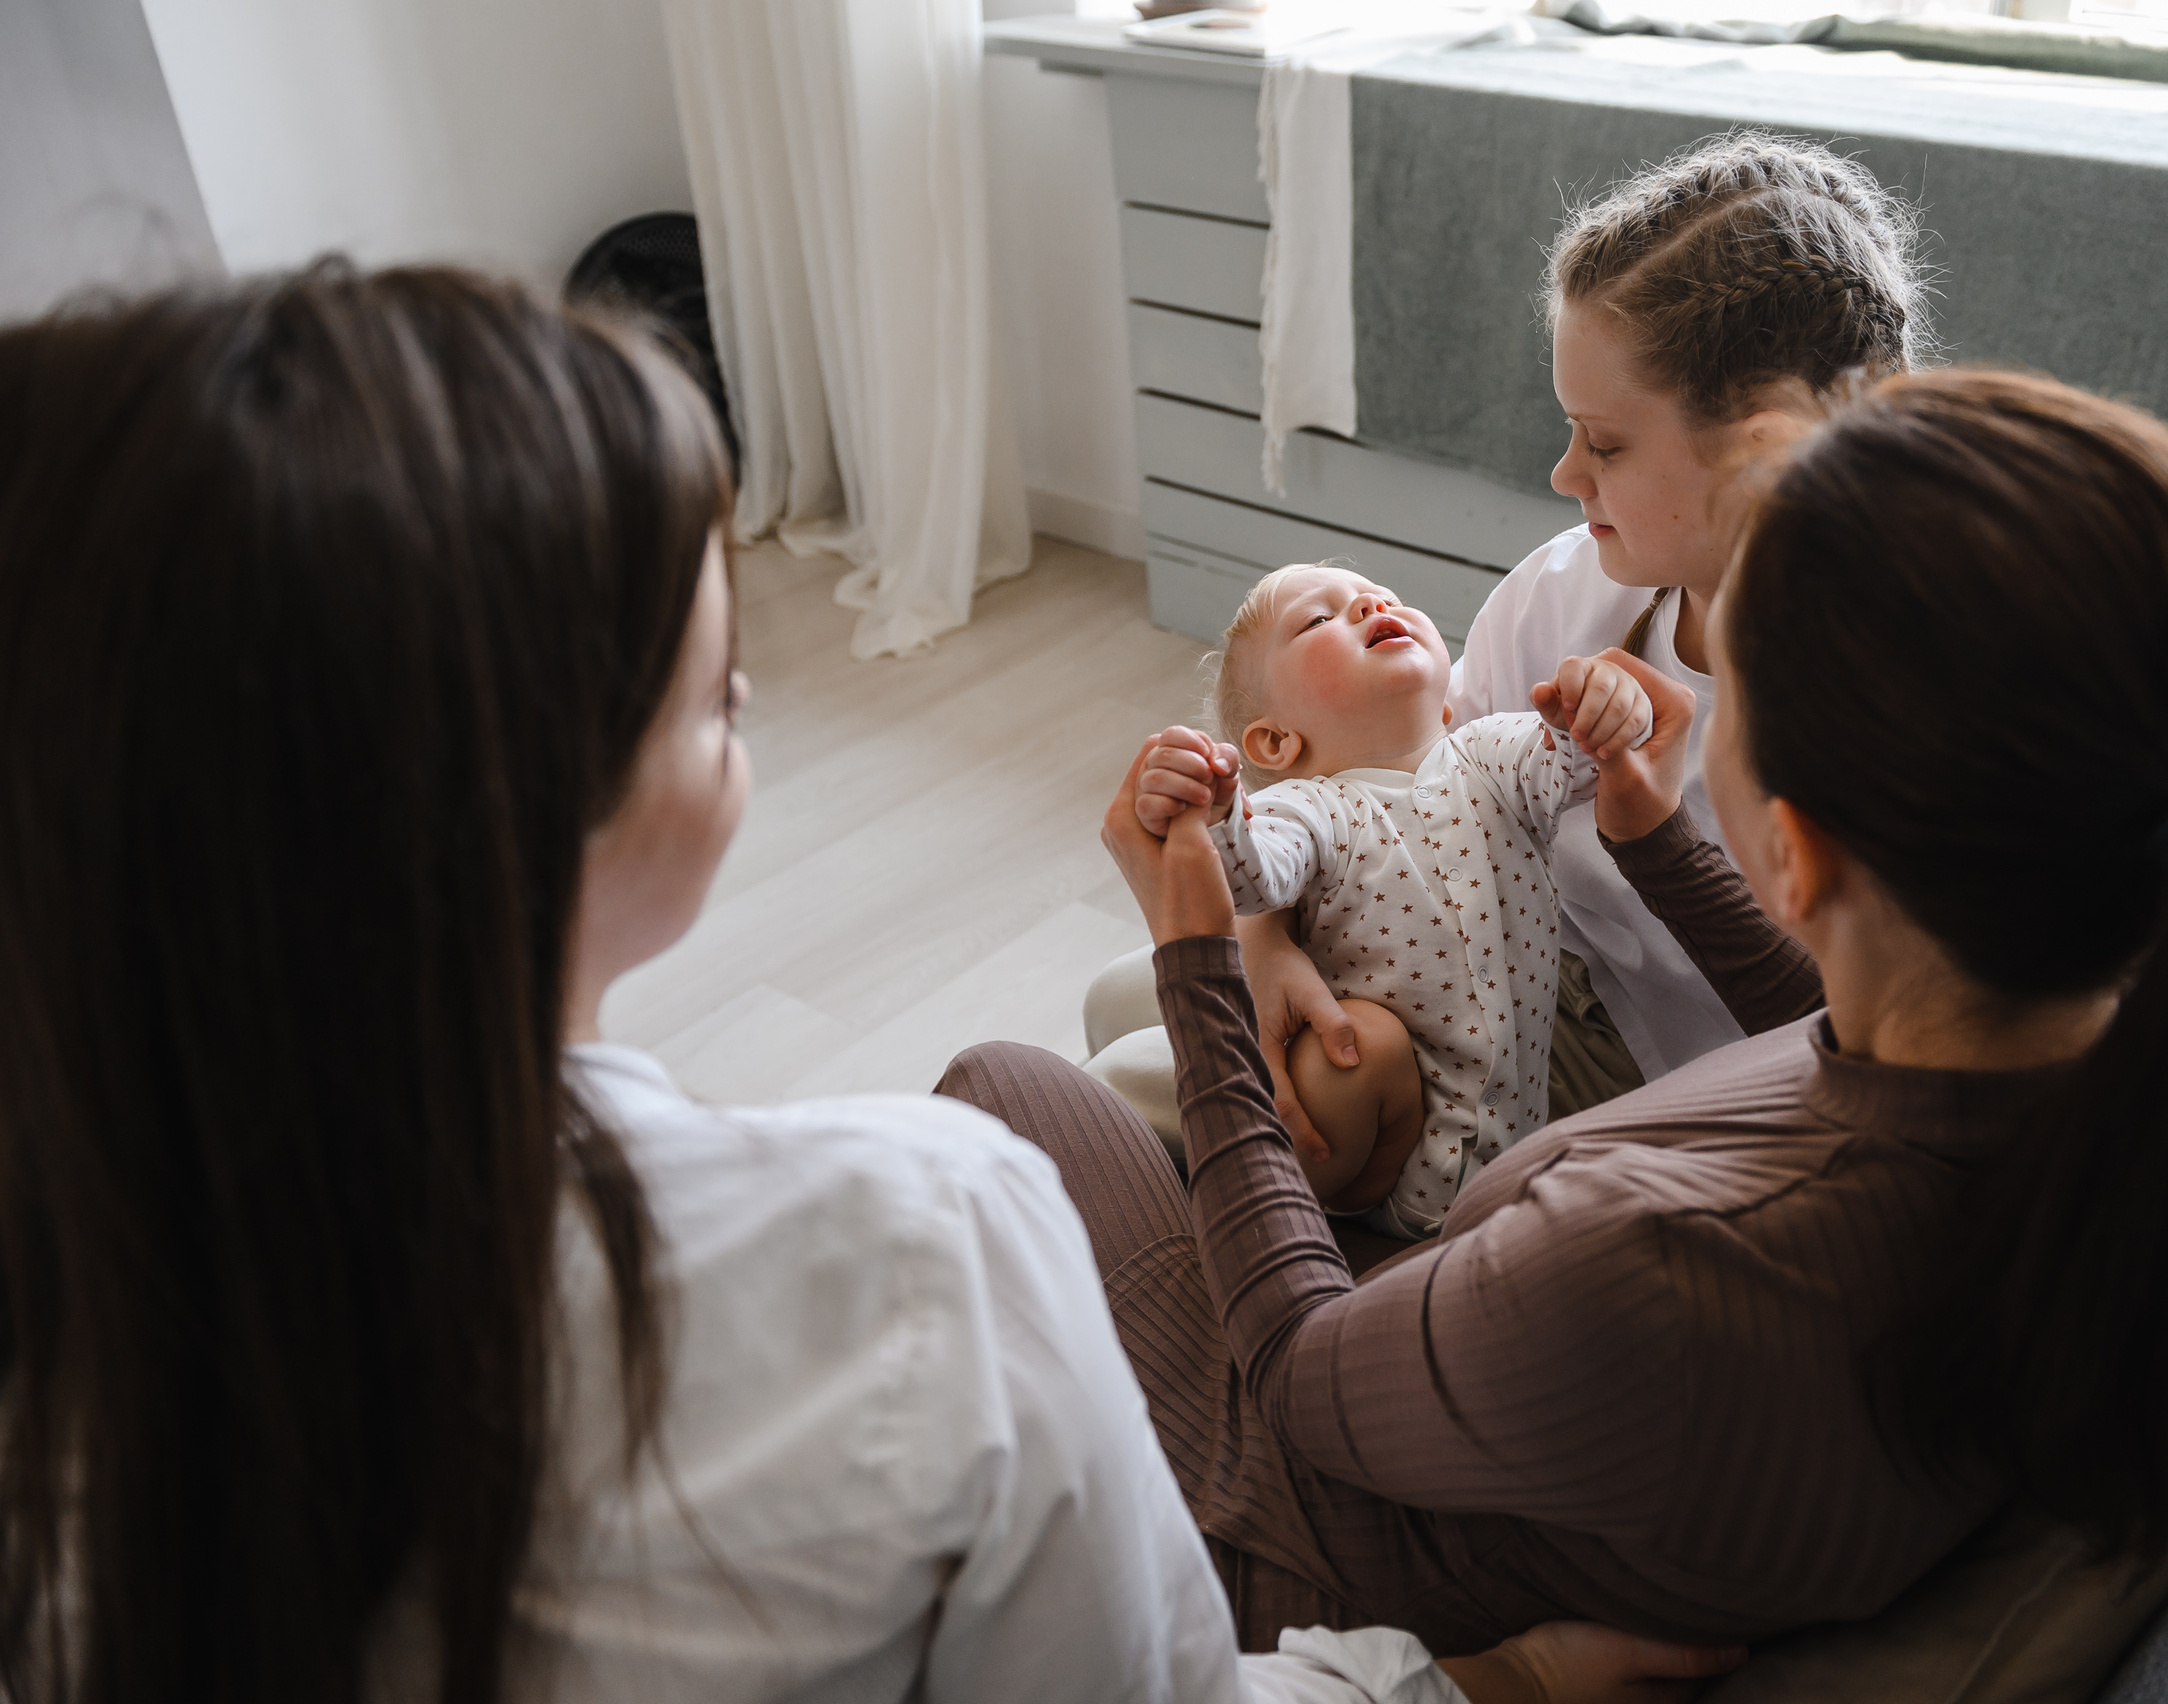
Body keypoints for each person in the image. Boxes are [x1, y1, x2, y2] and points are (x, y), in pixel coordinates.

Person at [0, 266, 1741, 1704]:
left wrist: (1261, 933)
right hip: (1365, 1416)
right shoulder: (915, 1247)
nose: (747, 683)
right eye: (714, 673)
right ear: (524, 796)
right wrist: (1486, 1677)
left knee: (1057, 1047)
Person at [944, 369, 2168, 1654]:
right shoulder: (2133, 1010)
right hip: (1531, 1415)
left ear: (1798, 854)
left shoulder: (1668, 1263)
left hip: (1333, 1538)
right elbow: (1810, 1034)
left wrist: (1196, 950)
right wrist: (1662, 835)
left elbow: (1306, 1385)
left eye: (1725, 675)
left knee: (1003, 1086)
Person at [1088, 130, 1926, 1143]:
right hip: (1483, 943)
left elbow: (1847, 1039)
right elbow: (1411, 803)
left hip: (1640, 1062)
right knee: (1114, 998)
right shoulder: (1565, 588)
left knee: (1125, 1086)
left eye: (1605, 442)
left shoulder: (1874, 711)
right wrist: (1266, 938)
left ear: (1760, 439)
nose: (1564, 475)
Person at [1135, 561, 1652, 1233]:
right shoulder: (1311, 807)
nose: (1369, 603)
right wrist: (1216, 807)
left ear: (1444, 702)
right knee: (1356, 1047)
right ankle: (1274, 1206)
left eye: (1382, 597)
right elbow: (1250, 878)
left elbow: (1577, 761)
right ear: (1275, 741)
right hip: (1389, 1161)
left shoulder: (1489, 751)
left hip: (1521, 1146)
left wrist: (1608, 706)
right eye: (1318, 619)